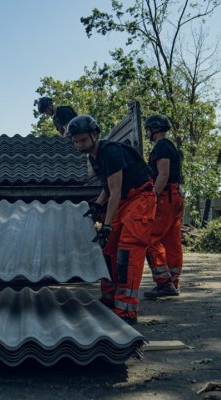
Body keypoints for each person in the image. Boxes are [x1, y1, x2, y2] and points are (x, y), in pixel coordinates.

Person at [68, 115, 156, 324]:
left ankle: (126, 309)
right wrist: (97, 204)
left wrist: (106, 225)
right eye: (76, 141)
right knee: (108, 249)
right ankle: (109, 299)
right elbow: (108, 189)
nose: (80, 144)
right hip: (124, 200)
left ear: (94, 135)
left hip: (140, 198)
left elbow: (115, 192)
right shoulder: (94, 157)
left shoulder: (111, 152)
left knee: (128, 249)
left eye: (83, 140)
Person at [143, 114, 185, 298]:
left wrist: (152, 197)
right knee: (171, 241)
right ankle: (172, 281)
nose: (147, 133)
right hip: (175, 195)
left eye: (148, 130)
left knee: (150, 238)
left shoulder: (161, 147)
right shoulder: (170, 146)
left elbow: (163, 174)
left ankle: (163, 282)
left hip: (165, 196)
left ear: (154, 129)